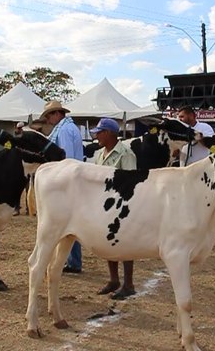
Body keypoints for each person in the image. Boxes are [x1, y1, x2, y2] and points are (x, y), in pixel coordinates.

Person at [90, 118, 138, 300]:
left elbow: (131, 181)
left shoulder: (125, 153)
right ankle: (114, 280)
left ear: (109, 133)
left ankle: (129, 283)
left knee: (125, 243)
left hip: (122, 205)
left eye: (100, 132)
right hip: (105, 205)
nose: (96, 136)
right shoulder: (100, 154)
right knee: (109, 241)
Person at [41, 100, 84, 273]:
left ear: (58, 114)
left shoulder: (65, 130)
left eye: (50, 114)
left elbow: (67, 157)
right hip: (73, 178)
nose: (48, 118)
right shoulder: (68, 127)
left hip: (68, 180)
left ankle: (73, 261)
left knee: (68, 222)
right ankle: (72, 260)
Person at [13, 121, 27, 216]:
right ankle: (17, 207)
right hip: (19, 166)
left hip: (26, 166)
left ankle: (28, 208)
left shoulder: (26, 139)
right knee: (17, 188)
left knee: (28, 188)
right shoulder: (16, 139)